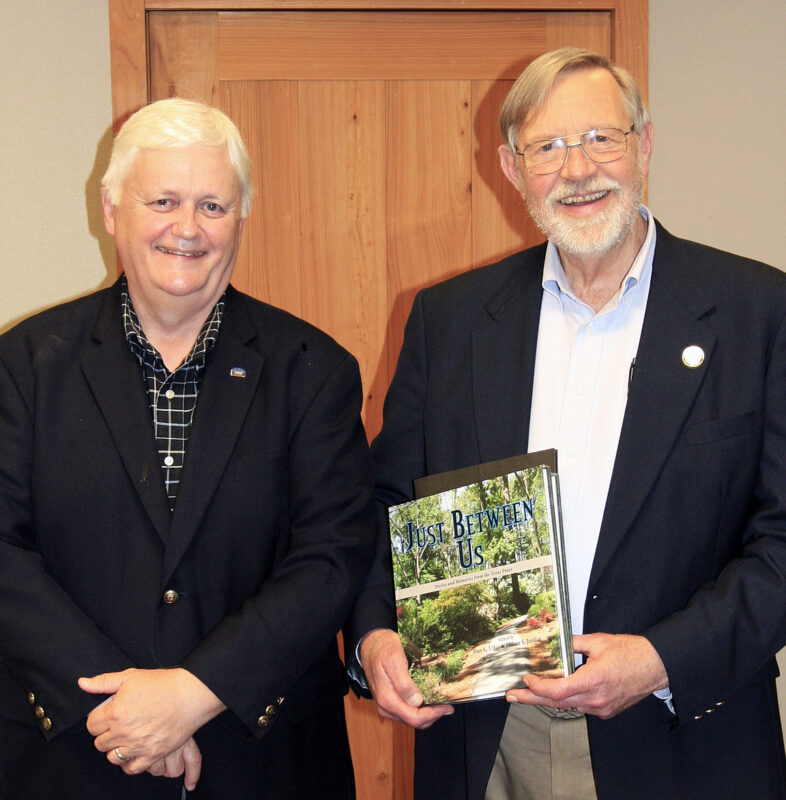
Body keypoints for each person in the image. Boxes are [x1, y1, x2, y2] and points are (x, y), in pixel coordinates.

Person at [344, 48, 786, 799]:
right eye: (546, 147)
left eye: (600, 139)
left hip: (682, 741)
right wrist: (375, 635)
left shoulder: (758, 312)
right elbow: (388, 508)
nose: (577, 169)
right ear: (512, 171)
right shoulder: (449, 322)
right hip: (485, 740)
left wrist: (660, 659)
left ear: (643, 145)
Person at [0, 98, 376, 799]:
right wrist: (122, 712)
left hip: (265, 762)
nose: (187, 228)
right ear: (112, 210)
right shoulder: (23, 366)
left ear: (241, 217)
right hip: (72, 759)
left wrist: (197, 692)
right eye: (163, 200)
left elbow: (331, 557)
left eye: (212, 205)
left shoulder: (314, 370)